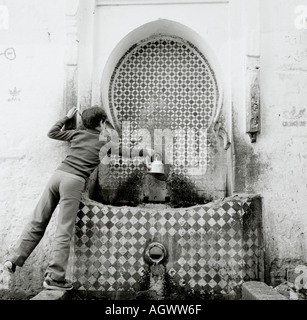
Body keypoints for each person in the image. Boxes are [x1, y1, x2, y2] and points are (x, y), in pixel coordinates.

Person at [3, 106, 153, 290]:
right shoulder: (103, 141)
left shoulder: (76, 134)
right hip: (73, 182)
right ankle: (55, 278)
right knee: (63, 230)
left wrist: (66, 117)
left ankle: (13, 260)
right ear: (100, 123)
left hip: (56, 176)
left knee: (38, 221)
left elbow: (52, 133)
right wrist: (146, 152)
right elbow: (126, 151)